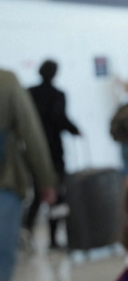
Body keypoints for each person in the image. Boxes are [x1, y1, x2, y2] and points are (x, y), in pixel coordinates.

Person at [0, 69, 57, 281]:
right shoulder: (5, 81)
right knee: (3, 253)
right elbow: (31, 132)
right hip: (5, 179)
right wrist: (46, 180)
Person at [25, 60, 80, 249]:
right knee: (55, 194)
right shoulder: (57, 95)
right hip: (53, 151)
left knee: (37, 194)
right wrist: (75, 130)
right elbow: (59, 118)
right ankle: (53, 239)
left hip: (33, 150)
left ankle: (25, 232)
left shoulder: (30, 93)